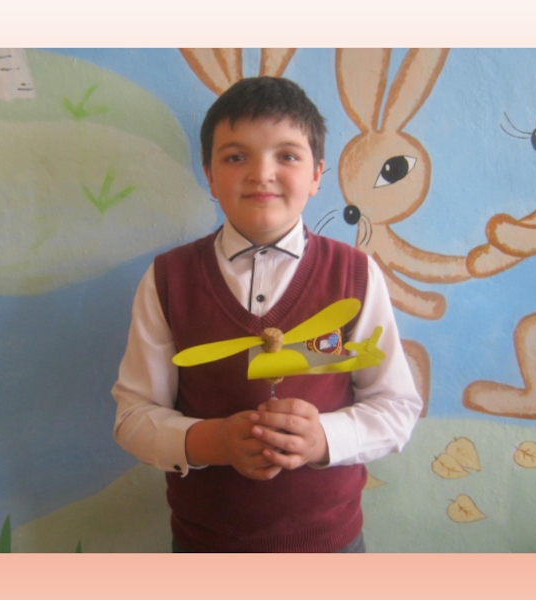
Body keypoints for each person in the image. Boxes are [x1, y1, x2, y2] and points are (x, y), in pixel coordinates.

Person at [112, 77, 422, 553]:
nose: (262, 173)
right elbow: (133, 417)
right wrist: (214, 441)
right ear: (209, 175)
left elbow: (396, 407)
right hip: (206, 546)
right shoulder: (168, 280)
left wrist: (322, 438)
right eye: (236, 157)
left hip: (330, 545)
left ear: (317, 175)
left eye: (288, 156)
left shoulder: (355, 275)